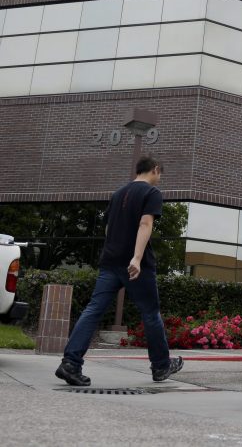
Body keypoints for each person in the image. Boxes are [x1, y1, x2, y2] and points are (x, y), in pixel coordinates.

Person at [55, 155, 183, 386]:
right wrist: (136, 258)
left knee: (94, 310)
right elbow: (145, 223)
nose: (159, 179)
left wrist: (116, 251)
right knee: (150, 313)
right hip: (136, 265)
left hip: (110, 261)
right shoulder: (151, 193)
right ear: (154, 169)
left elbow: (108, 229)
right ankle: (161, 366)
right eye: (160, 174)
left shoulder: (117, 194)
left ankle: (70, 364)